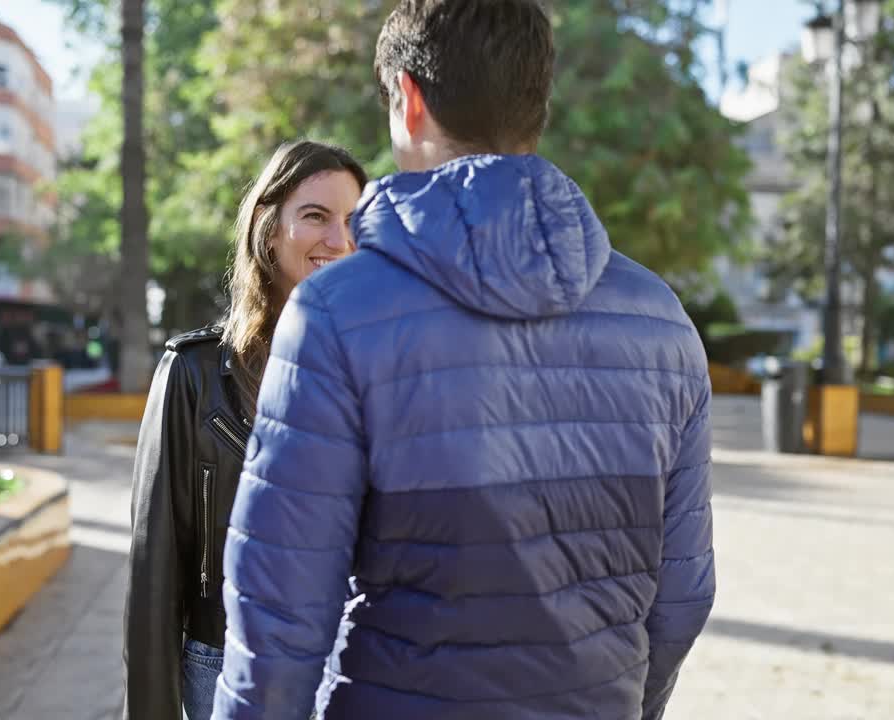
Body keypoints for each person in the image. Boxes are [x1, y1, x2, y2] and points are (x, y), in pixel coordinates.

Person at [213, 1, 716, 718]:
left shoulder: (335, 313)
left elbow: (280, 622)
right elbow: (682, 596)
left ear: (407, 99)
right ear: (534, 104)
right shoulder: (661, 319)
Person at [124, 140, 368, 720]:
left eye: (354, 221)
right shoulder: (194, 372)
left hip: (357, 663)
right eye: (315, 216)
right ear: (269, 227)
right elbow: (154, 569)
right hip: (226, 663)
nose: (339, 240)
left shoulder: (386, 363)